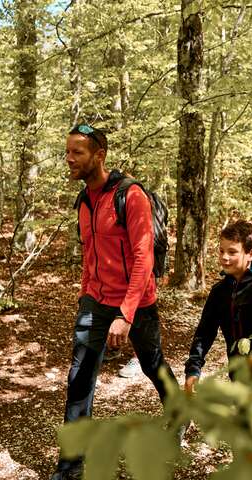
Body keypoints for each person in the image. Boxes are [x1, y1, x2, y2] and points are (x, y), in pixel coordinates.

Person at [51, 124, 178, 480]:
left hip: (136, 303)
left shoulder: (131, 195)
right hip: (95, 302)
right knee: (79, 379)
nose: (69, 159)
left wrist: (126, 313)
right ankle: (70, 466)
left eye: (77, 152)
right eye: (67, 151)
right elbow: (89, 255)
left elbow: (144, 257)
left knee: (153, 365)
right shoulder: (84, 201)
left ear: (99, 155)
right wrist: (85, 296)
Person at [184, 220, 252, 394]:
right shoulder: (219, 292)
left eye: (232, 252)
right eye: (221, 251)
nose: (224, 257)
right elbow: (205, 332)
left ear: (251, 253)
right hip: (237, 374)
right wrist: (193, 368)